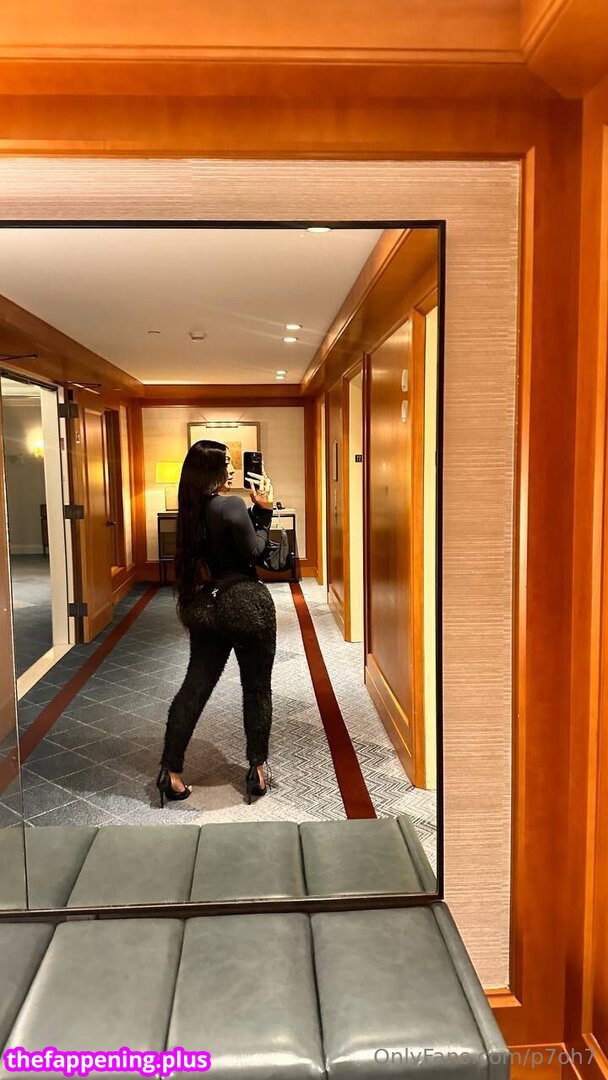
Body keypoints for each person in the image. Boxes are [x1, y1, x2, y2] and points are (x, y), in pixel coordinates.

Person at [156, 439, 277, 807]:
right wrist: (264, 512)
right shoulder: (231, 506)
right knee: (256, 689)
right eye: (227, 462)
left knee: (195, 687)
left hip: (207, 607)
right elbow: (254, 553)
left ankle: (171, 772)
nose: (233, 469)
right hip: (245, 606)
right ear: (211, 470)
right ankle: (257, 769)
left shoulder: (190, 512)